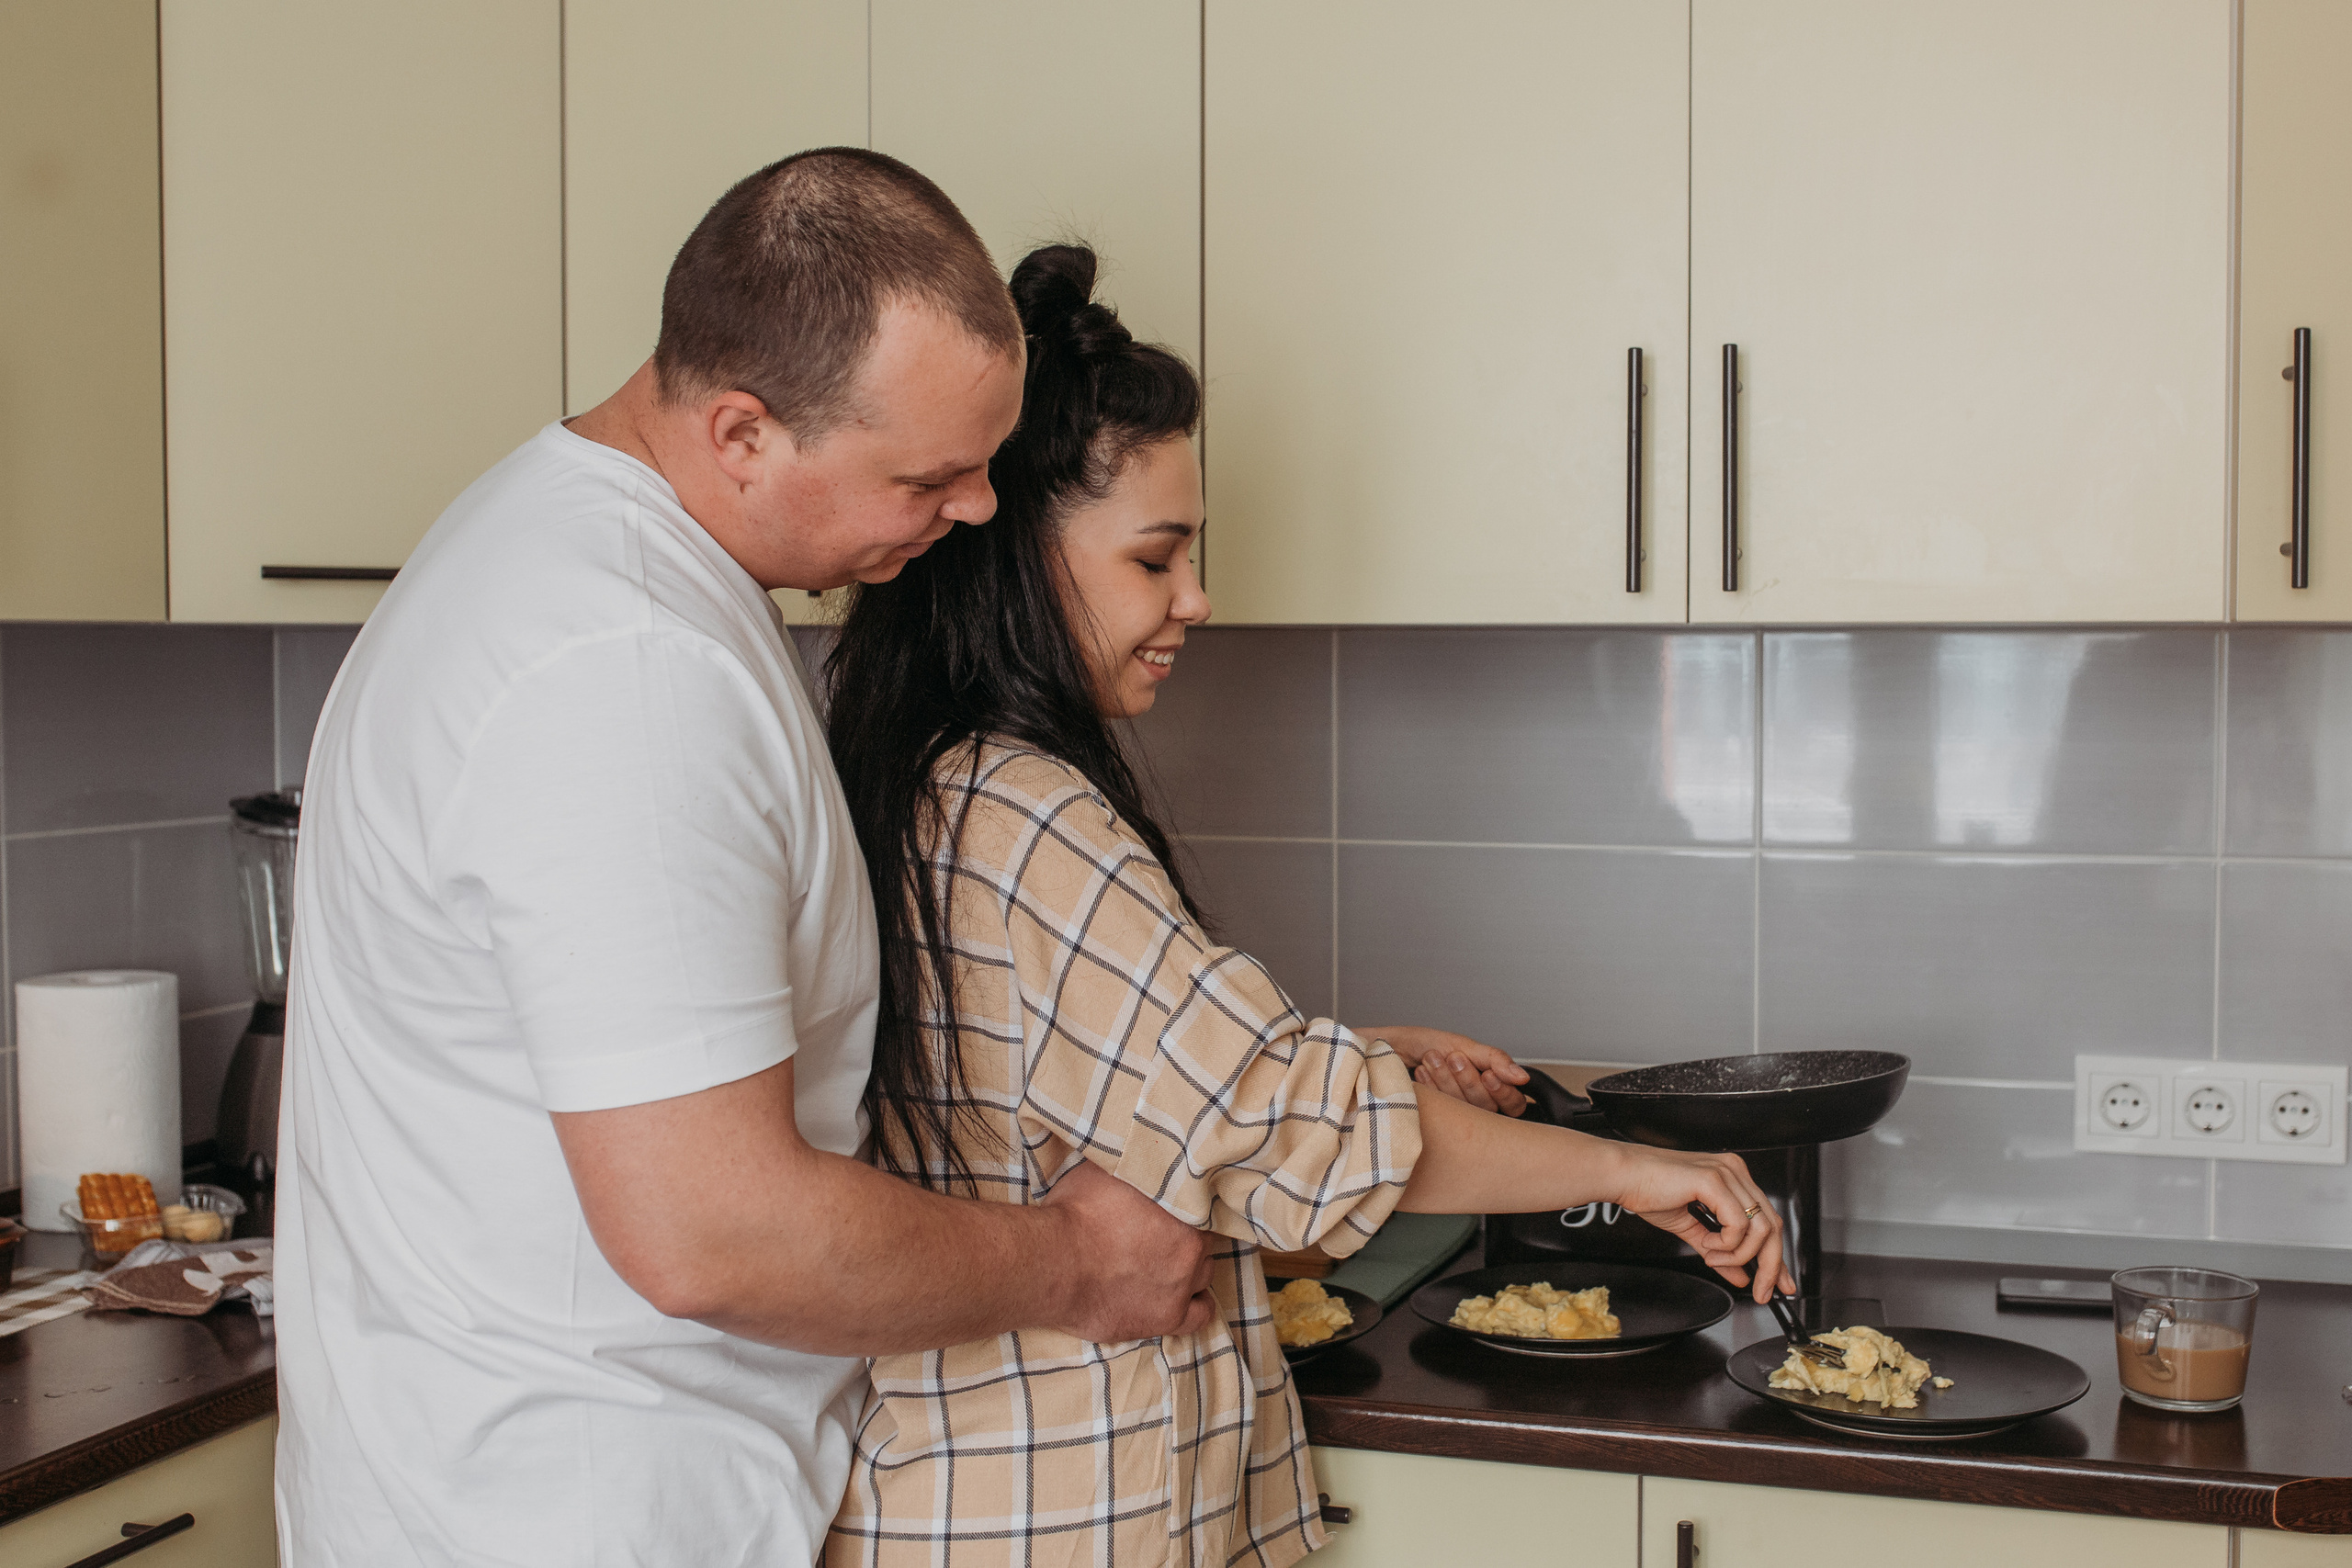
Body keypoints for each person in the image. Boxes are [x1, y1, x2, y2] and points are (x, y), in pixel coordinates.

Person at [275, 153, 1225, 1567]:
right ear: (742, 434)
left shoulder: (558, 550)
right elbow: (713, 1231)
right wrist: (1081, 1262)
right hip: (583, 1524)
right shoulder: (624, 665)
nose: (980, 511)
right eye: (932, 475)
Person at [820, 244, 1792, 1568]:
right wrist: (1638, 1171)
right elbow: (1291, 1128)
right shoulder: (1021, 810)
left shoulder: (926, 776)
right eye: (1156, 558)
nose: (1194, 599)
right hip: (1058, 1502)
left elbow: (1070, 1096)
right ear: (1014, 562)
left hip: (977, 1487)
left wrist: (1358, 1051)